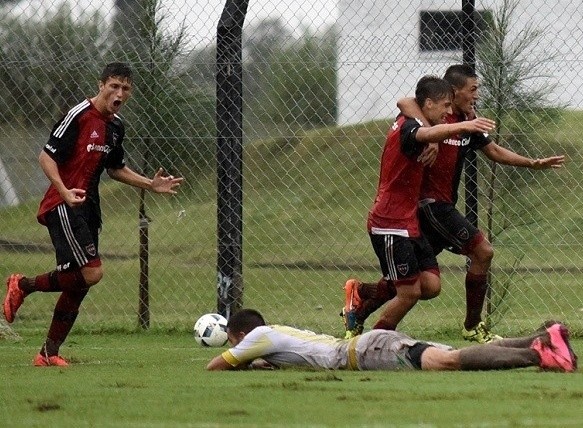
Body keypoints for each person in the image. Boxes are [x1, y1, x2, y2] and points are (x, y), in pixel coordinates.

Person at [342, 64, 564, 343]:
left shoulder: (464, 119)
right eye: (473, 89)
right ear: (454, 92)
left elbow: (493, 150)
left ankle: (361, 299)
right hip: (430, 206)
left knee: (421, 283)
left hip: (422, 212)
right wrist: (435, 132)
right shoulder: (432, 117)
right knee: (481, 252)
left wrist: (531, 163)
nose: (477, 95)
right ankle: (470, 326)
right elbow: (406, 102)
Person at [2, 62, 183, 367]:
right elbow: (45, 157)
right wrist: (64, 191)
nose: (119, 93)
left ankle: (48, 354)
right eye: (114, 86)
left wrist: (150, 185)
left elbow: (115, 168)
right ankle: (22, 285)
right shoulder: (79, 115)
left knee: (80, 283)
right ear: (101, 85)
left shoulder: (116, 126)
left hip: (88, 209)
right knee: (91, 273)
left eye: (125, 88)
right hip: (63, 205)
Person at [352, 75, 495, 337]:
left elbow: (420, 117)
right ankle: (372, 343)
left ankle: (360, 297)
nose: (448, 112)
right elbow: (418, 125)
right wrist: (460, 127)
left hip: (410, 221)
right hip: (391, 222)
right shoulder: (410, 127)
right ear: (429, 103)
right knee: (409, 292)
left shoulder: (426, 120)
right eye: (445, 105)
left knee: (429, 286)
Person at [207, 309, 577, 373]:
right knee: (454, 354)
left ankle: (538, 355)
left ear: (241, 335)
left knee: (449, 362)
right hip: (370, 345)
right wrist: (260, 364)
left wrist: (239, 359)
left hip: (366, 352)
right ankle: (544, 336)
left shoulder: (256, 337)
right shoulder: (275, 335)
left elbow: (217, 365)